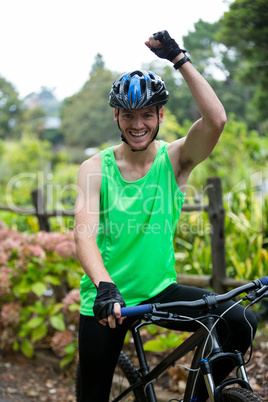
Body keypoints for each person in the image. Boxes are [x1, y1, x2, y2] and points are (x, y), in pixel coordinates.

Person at [74, 31, 257, 402]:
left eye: (146, 115)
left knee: (240, 321)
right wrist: (105, 287)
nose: (137, 125)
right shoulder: (94, 168)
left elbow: (217, 120)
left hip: (161, 292)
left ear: (160, 115)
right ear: (116, 116)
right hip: (108, 300)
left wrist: (179, 58)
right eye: (128, 115)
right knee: (91, 397)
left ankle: (200, 395)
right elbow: (84, 235)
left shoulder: (175, 160)